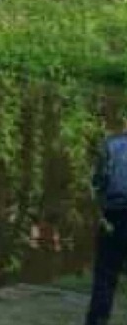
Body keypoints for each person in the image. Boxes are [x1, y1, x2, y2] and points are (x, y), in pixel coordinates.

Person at [84, 119, 127, 325]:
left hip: (114, 215)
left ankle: (98, 320)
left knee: (105, 276)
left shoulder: (111, 145)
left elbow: (97, 182)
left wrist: (99, 205)